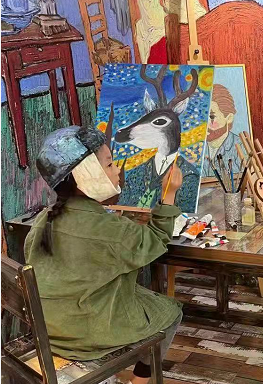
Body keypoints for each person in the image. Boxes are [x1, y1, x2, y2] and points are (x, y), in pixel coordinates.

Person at [25, 126, 183, 384]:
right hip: (85, 334)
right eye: (109, 165)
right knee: (171, 311)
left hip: (50, 327)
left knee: (137, 294)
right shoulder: (108, 229)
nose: (117, 170)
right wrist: (170, 194)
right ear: (87, 174)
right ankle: (138, 381)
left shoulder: (44, 218)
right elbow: (155, 241)